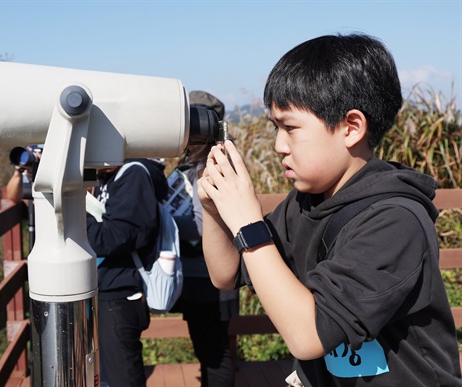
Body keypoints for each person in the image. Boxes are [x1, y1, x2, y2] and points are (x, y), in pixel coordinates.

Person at [198, 33, 462, 386]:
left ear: (351, 128)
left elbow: (309, 336)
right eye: (275, 128)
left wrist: (247, 220)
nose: (279, 145)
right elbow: (226, 274)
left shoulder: (396, 220)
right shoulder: (306, 201)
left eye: (290, 128)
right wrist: (216, 212)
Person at [170, 90, 238, 387]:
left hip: (208, 276)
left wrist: (161, 222)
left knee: (215, 352)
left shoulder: (214, 166)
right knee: (207, 347)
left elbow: (201, 226)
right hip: (198, 274)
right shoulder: (193, 163)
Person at [86, 157, 169, 387]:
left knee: (123, 378)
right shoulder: (108, 177)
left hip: (121, 296)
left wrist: (76, 213)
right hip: (108, 291)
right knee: (108, 376)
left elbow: (115, 236)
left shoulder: (133, 175)